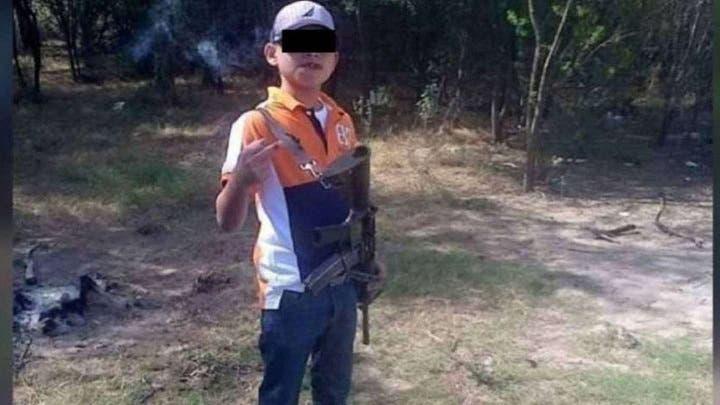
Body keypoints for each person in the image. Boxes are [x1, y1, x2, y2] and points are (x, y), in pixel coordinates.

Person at [215, 2, 384, 403]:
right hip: (290, 290)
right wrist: (240, 180)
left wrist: (370, 256)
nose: (311, 53)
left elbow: (352, 202)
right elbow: (227, 221)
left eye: (322, 44)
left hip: (343, 282)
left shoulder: (341, 119)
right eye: (298, 43)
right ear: (272, 53)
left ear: (335, 59)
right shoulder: (255, 124)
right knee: (281, 395)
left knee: (334, 392)